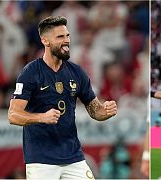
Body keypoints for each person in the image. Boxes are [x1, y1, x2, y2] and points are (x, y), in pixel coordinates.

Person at [7, 16, 117, 179]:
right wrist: (41, 117)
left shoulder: (77, 72)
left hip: (73, 157)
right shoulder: (30, 73)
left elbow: (95, 110)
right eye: (60, 37)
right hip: (41, 160)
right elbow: (13, 115)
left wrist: (105, 111)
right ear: (45, 41)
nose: (66, 41)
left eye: (67, 36)